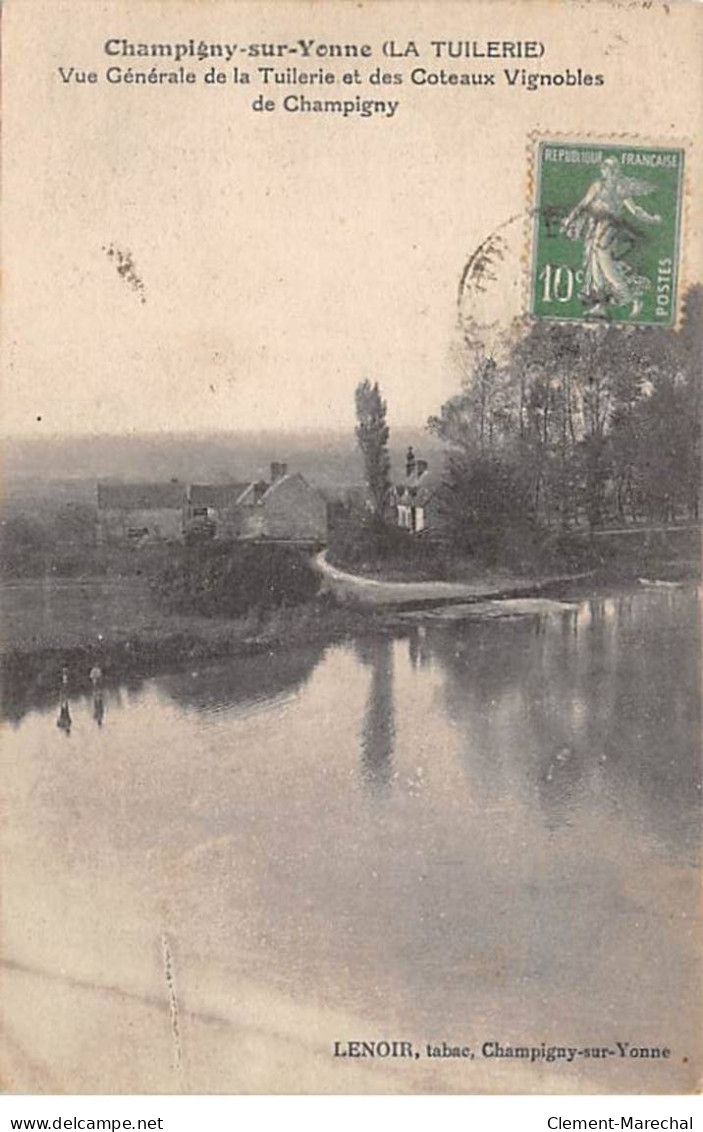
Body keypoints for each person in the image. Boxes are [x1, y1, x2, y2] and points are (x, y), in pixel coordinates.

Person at [561, 156, 661, 317]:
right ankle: (600, 304)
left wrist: (651, 219)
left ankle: (631, 297)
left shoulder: (621, 189)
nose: (609, 172)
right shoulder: (598, 187)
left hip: (608, 228)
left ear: (616, 171)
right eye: (607, 169)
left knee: (604, 263)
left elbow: (634, 210)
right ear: (604, 171)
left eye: (612, 169)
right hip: (596, 227)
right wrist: (569, 221)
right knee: (596, 266)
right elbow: (583, 205)